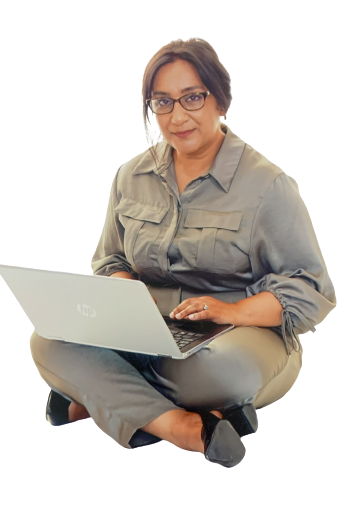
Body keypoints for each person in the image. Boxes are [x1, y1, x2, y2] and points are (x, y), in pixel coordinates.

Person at [29, 37, 337, 467]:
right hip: (147, 333)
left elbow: (310, 290)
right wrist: (125, 295)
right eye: (163, 102)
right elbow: (109, 259)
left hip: (234, 340)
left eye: (192, 97)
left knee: (222, 374)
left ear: (220, 99)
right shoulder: (131, 175)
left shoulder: (268, 185)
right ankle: (183, 426)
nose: (177, 116)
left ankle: (100, 395)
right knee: (48, 340)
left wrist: (230, 312)